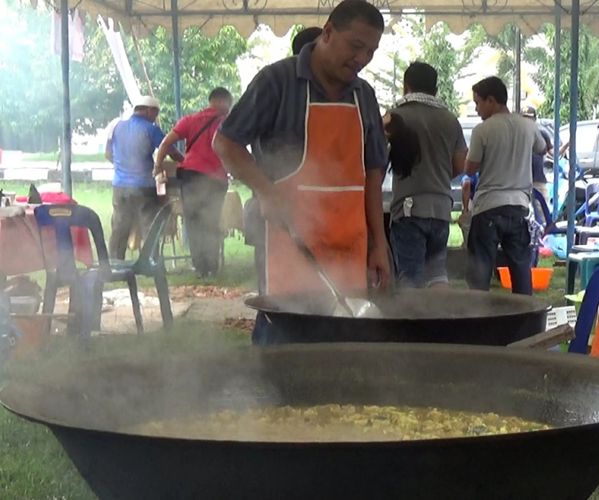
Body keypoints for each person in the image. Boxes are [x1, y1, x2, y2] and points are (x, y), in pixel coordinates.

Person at [213, 0, 391, 343]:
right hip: (290, 245)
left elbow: (373, 171)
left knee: (345, 355)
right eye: (356, 46)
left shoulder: (364, 94)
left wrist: (378, 244)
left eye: (371, 51)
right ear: (327, 33)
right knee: (283, 351)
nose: (362, 59)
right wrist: (265, 190)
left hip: (349, 250)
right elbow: (226, 143)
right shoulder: (277, 82)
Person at [385, 62, 467, 288]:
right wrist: (437, 177)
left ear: (406, 86)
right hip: (441, 207)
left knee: (410, 278)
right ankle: (440, 320)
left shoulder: (395, 116)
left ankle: (412, 322)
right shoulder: (450, 119)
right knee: (437, 274)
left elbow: (376, 160)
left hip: (408, 209)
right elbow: (460, 165)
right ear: (435, 89)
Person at [464, 77, 547, 294]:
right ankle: (526, 318)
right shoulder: (527, 126)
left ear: (491, 101)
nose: (477, 108)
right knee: (521, 268)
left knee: (480, 272)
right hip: (519, 207)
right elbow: (543, 148)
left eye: (478, 102)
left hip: (488, 207)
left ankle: (477, 319)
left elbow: (470, 169)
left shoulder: (482, 130)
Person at [154, 87, 234, 278]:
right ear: (223, 102)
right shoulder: (228, 123)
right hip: (216, 179)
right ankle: (211, 268)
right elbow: (234, 149)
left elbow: (166, 143)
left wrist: (158, 165)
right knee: (211, 221)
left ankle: (200, 268)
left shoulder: (190, 120)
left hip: (191, 177)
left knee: (194, 221)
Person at [106, 95, 183, 259]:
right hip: (143, 186)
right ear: (149, 111)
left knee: (120, 226)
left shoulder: (116, 126)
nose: (155, 117)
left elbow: (107, 154)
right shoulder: (151, 129)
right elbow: (170, 150)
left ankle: (114, 262)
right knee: (149, 224)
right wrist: (185, 162)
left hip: (119, 186)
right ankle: (150, 261)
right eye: (155, 113)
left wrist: (122, 167)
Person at [520, 105, 552, 202]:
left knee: (542, 211)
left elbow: (553, 153)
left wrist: (567, 145)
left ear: (534, 119)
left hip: (538, 180)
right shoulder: (517, 135)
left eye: (529, 119)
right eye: (524, 119)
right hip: (520, 181)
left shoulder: (542, 134)